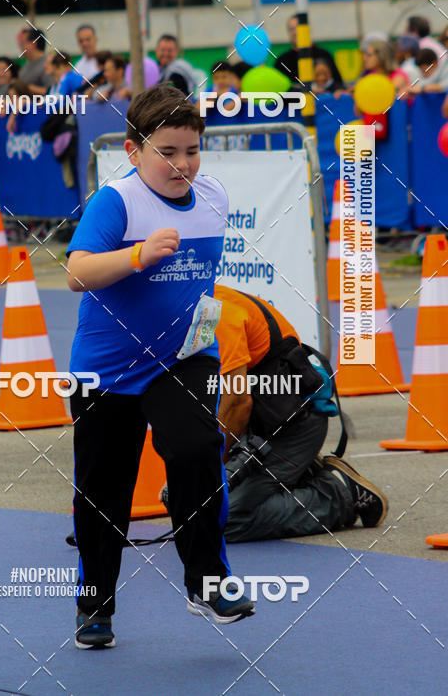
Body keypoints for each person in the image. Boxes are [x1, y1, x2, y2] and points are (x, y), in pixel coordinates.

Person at [66, 84, 254, 649]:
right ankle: (95, 604)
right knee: (104, 489)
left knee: (197, 451)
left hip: (185, 358)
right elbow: (75, 273)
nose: (182, 165)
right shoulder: (116, 202)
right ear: (133, 150)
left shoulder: (214, 195)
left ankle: (210, 583)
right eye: (167, 152)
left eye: (192, 150)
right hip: (108, 367)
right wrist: (138, 256)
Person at [211, 285, 388, 542]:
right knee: (188, 507)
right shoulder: (188, 309)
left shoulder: (219, 314)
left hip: (292, 430)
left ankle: (339, 495)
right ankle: (303, 475)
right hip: (260, 428)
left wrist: (209, 467)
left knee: (221, 520)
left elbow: (237, 402)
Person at [274, 15, 343, 89]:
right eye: (292, 29)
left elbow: (338, 84)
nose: (295, 32)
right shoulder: (282, 61)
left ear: (308, 29)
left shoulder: (324, 55)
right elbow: (278, 90)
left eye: (298, 28)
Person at [19, 29, 53, 95]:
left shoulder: (48, 64)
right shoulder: (26, 65)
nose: (21, 47)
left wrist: (25, 87)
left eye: (23, 43)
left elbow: (52, 91)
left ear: (33, 44)